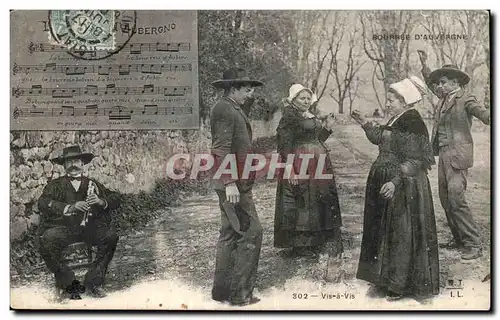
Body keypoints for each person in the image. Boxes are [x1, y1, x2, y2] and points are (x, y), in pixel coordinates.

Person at [351, 76, 440, 301]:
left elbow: (415, 160)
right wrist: (364, 122)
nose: (388, 103)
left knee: (401, 233)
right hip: (388, 181)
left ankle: (400, 284)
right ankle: (385, 279)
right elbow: (381, 137)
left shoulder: (413, 122)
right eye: (388, 99)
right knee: (385, 231)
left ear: (405, 100)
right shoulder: (397, 118)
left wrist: (395, 181)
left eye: (392, 99)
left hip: (404, 185)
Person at [418, 50, 491, 260]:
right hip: (443, 156)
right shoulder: (443, 98)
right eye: (438, 83)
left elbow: (482, 112)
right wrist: (425, 65)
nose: (438, 87)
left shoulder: (465, 98)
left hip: (458, 157)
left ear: (455, 82)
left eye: (442, 82)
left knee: (456, 198)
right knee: (445, 199)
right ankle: (459, 239)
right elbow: (430, 82)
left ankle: (473, 244)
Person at [209, 68, 264, 306]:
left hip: (233, 183)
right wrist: (229, 182)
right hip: (233, 185)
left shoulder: (232, 107)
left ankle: (221, 292)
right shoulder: (225, 109)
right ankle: (240, 295)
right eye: (246, 89)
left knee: (230, 234)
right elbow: (220, 148)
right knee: (252, 232)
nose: (249, 94)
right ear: (233, 89)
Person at [37, 145, 121, 300]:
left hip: (90, 229)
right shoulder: (55, 185)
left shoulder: (93, 184)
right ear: (64, 165)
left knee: (111, 237)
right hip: (64, 229)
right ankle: (67, 281)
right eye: (69, 162)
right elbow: (42, 203)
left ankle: (93, 282)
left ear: (82, 163)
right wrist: (69, 207)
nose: (73, 165)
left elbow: (116, 198)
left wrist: (101, 201)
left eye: (76, 160)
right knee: (46, 240)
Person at [274, 84, 343, 258]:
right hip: (300, 162)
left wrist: (328, 127)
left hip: (316, 164)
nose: (305, 101)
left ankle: (315, 240)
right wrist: (289, 168)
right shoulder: (289, 116)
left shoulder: (307, 115)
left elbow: (317, 140)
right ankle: (301, 244)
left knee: (317, 199)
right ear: (293, 100)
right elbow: (284, 144)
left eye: (307, 98)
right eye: (301, 98)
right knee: (302, 199)